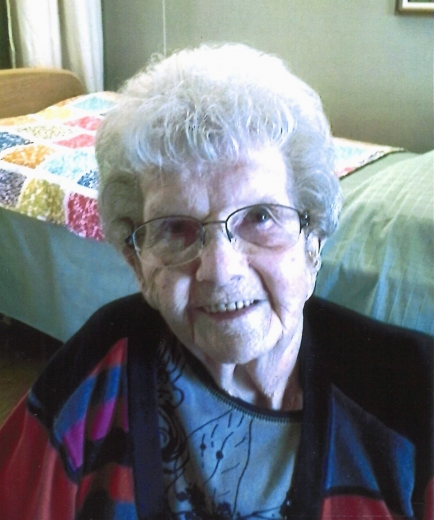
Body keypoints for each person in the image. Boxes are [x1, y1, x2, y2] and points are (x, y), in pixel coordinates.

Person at [0, 43, 432, 520]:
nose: (221, 269)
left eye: (261, 217)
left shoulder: (413, 393)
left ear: (313, 243)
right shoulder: (96, 370)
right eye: (176, 228)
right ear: (137, 263)